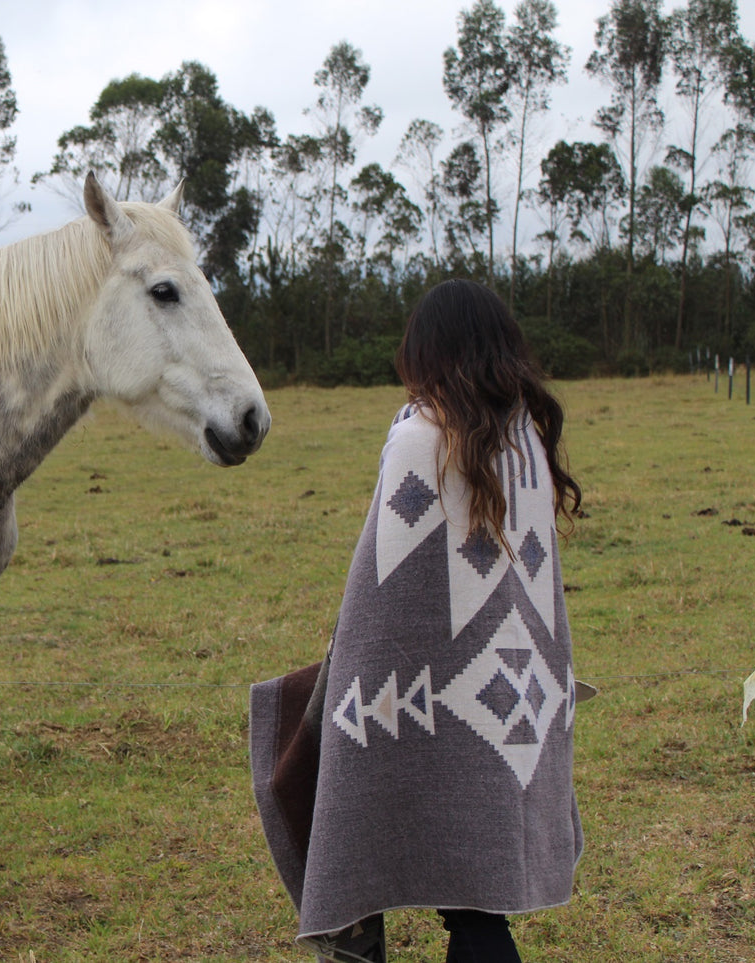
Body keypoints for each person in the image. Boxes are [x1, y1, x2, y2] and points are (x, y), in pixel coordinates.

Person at [251, 279, 585, 963]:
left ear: (423, 350)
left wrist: (348, 673)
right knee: (477, 916)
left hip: (425, 705)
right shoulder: (526, 443)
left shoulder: (418, 438)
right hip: (508, 702)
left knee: (432, 889)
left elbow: (376, 593)